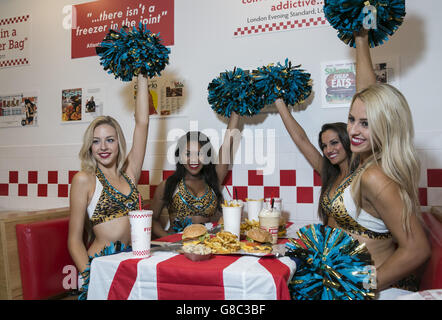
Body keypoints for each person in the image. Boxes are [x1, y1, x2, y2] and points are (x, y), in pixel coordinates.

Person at [334, 29, 431, 298]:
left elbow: (418, 249)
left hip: (374, 292)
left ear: (386, 127)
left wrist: (361, 289)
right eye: (351, 119)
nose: (353, 130)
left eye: (365, 124)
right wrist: (361, 38)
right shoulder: (366, 157)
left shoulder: (375, 175)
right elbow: (367, 93)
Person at [68, 74, 150, 299]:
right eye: (96, 141)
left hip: (129, 266)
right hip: (99, 269)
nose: (103, 147)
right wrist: (91, 278)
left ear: (119, 142)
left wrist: (142, 75)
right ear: (90, 146)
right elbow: (74, 240)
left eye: (110, 140)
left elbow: (142, 122)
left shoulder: (131, 173)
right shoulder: (84, 179)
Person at [151, 113, 240, 238]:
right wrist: (168, 239)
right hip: (176, 249)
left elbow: (226, 145)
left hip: (207, 246)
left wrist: (236, 109)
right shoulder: (168, 185)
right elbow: (152, 219)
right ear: (180, 156)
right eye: (188, 154)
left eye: (199, 154)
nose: (194, 160)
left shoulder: (214, 179)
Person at [275, 94, 353, 226]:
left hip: (352, 245)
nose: (328, 150)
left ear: (348, 140)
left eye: (334, 143)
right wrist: (278, 100)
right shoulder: (330, 174)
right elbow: (301, 140)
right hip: (326, 244)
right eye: (324, 146)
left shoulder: (363, 175)